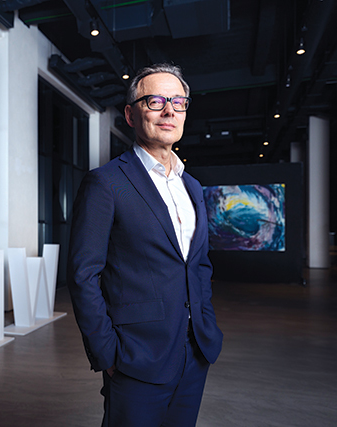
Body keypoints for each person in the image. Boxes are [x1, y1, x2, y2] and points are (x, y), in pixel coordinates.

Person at [67, 63, 223, 427]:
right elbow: (83, 274)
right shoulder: (106, 183)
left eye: (178, 102)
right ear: (130, 115)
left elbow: (199, 265)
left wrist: (206, 323)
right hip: (135, 356)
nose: (169, 111)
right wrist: (107, 353)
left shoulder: (192, 187)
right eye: (155, 101)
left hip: (195, 352)